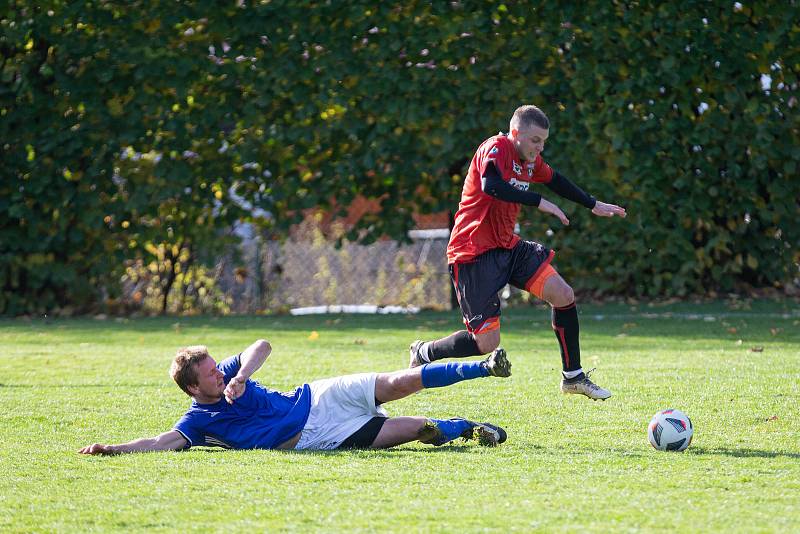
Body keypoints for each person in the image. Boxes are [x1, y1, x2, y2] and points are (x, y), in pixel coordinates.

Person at [409, 105, 626, 400]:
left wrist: (592, 203)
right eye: (535, 140)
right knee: (485, 343)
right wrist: (539, 202)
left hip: (508, 248)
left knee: (563, 295)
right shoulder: (495, 148)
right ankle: (425, 351)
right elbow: (491, 184)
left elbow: (556, 180)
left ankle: (572, 377)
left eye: (544, 141)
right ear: (516, 133)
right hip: (472, 254)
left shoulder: (530, 162)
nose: (540, 147)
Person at [78, 339, 512, 455]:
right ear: (194, 388)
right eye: (210, 375)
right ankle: (469, 429)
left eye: (216, 367)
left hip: (318, 397)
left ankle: (483, 367)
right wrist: (110, 448)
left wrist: (241, 375)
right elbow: (159, 442)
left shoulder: (230, 374)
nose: (218, 373)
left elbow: (262, 345)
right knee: (418, 429)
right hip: (318, 438)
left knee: (401, 382)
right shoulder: (198, 422)